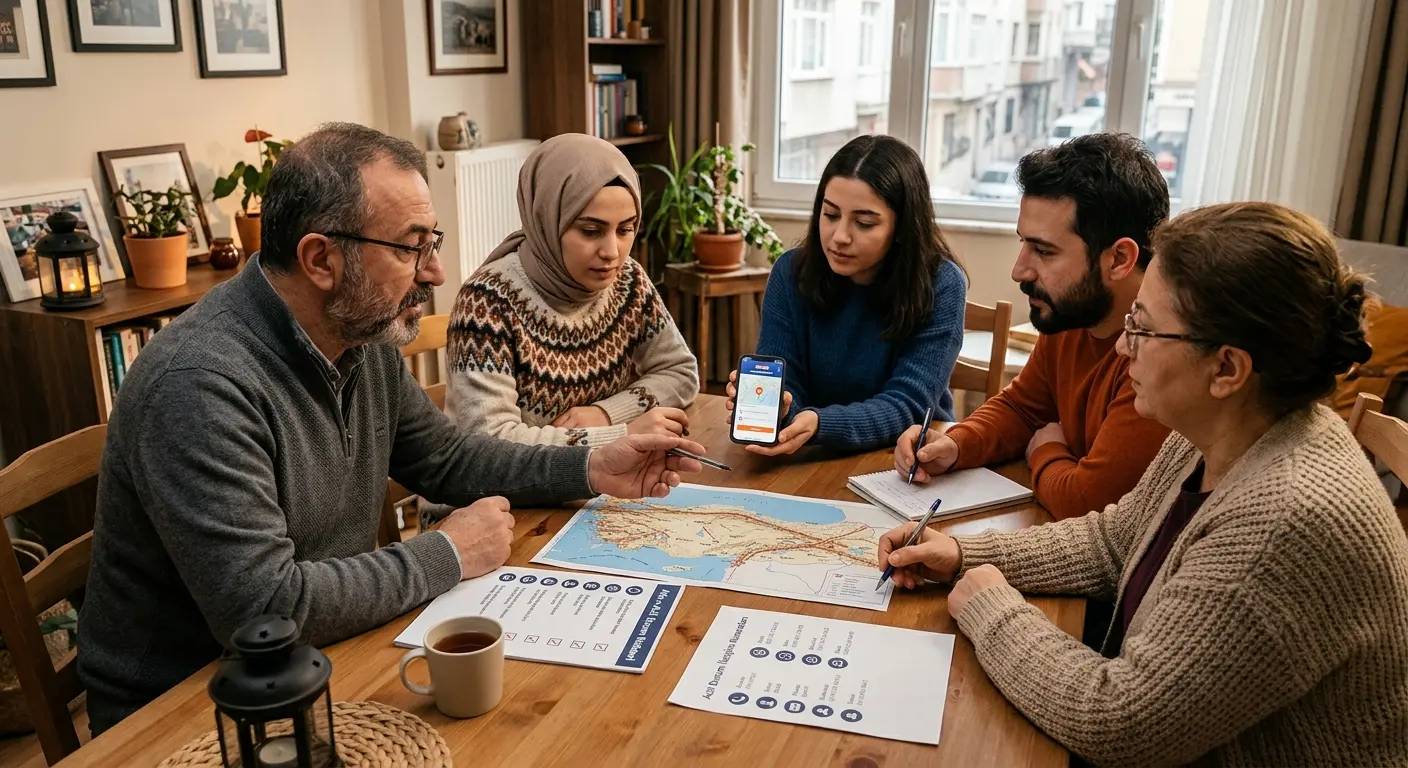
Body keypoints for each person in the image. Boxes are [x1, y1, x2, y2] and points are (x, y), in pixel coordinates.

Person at [77, 123, 707, 734]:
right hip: (194, 710)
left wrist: (592, 465)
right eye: (412, 248)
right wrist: (447, 551)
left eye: (432, 244)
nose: (435, 273)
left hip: (325, 657)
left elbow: (448, 459)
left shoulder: (358, 333)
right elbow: (267, 609)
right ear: (321, 259)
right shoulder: (200, 386)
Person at [879, 202, 1408, 765]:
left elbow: (1121, 723)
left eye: (1144, 327)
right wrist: (960, 553)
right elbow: (1114, 541)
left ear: (1227, 369)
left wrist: (993, 608)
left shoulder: (1286, 520)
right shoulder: (1217, 430)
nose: (1124, 345)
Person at [894, 132, 1172, 520]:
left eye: (1043, 251)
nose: (1018, 270)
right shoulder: (1073, 314)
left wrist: (1045, 450)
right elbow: (1023, 409)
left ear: (1120, 258)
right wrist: (955, 444)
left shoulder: (1162, 351)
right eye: (1024, 243)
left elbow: (1087, 502)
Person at [445, 134, 698, 446]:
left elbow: (680, 372)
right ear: (547, 221)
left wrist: (607, 413)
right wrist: (619, 435)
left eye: (625, 229)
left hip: (592, 483)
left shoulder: (628, 280)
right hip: (495, 493)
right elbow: (489, 442)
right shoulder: (485, 303)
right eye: (591, 231)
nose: (612, 252)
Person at [724, 134, 967, 454]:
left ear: (902, 228)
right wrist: (778, 408)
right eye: (830, 214)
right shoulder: (790, 272)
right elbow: (786, 381)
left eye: (864, 223)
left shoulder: (942, 285)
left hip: (906, 458)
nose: (839, 237)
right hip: (811, 453)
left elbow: (908, 405)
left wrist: (821, 423)